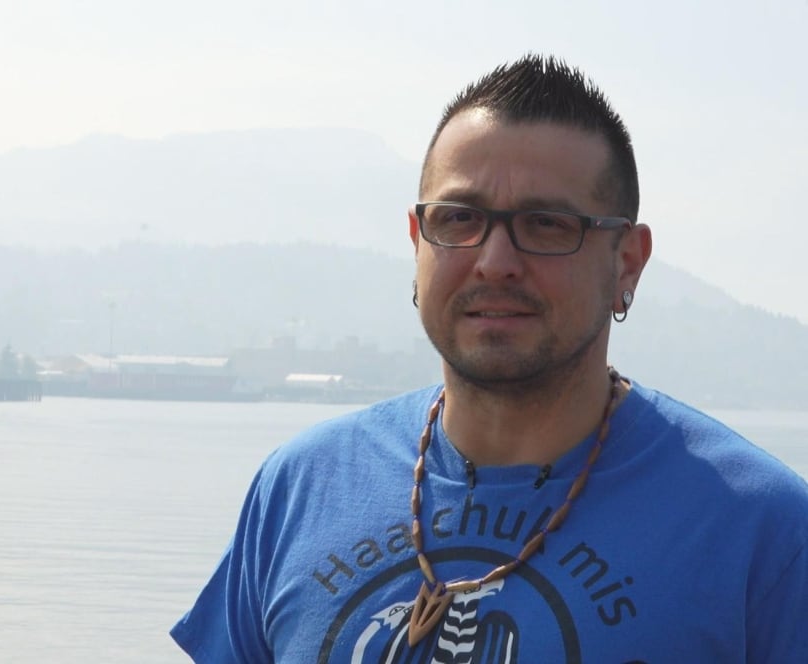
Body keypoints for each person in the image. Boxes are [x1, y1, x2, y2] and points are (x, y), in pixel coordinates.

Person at [170, 54, 808, 663]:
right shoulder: (299, 488)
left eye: (547, 225)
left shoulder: (761, 530)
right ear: (418, 243)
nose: (495, 260)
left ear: (627, 262)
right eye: (459, 218)